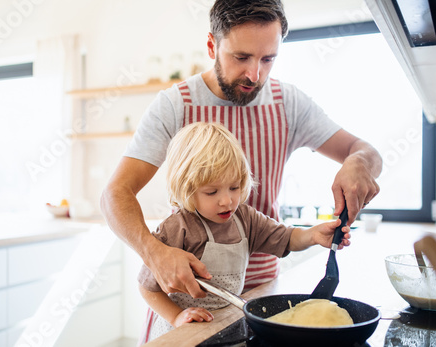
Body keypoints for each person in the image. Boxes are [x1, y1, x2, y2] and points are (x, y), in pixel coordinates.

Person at [100, 0, 381, 299]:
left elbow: (365, 150)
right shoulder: (176, 105)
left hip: (262, 291)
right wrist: (154, 252)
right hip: (191, 296)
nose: (254, 74)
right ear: (212, 46)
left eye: (267, 59)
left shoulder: (289, 104)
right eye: (241, 57)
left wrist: (359, 161)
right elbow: (115, 194)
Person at [138, 122, 351, 342]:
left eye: (234, 187)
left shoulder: (245, 219)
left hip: (223, 324)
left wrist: (313, 235)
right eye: (212, 192)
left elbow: (286, 238)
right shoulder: (177, 228)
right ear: (187, 189)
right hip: (180, 332)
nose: (227, 200)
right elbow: (148, 288)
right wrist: (177, 317)